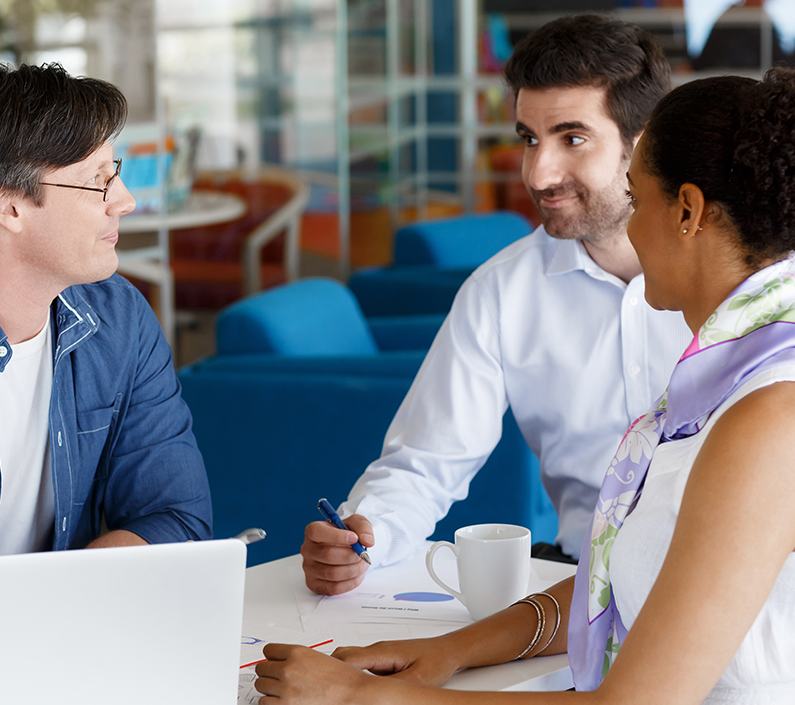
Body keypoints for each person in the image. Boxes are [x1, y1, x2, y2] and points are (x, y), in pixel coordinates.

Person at [255, 67, 795, 705]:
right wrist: (446, 651)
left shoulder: (768, 414)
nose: (631, 223)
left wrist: (357, 697)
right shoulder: (732, 368)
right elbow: (633, 570)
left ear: (687, 211)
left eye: (638, 197)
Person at [302, 14, 693, 595]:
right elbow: (426, 461)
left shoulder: (747, 275)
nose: (539, 172)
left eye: (572, 138)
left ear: (643, 142)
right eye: (529, 139)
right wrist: (366, 537)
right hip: (581, 595)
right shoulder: (503, 290)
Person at [0, 62, 212, 553]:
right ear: (10, 206)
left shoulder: (118, 319)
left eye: (115, 174)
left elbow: (174, 516)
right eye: (99, 180)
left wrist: (66, 601)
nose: (126, 201)